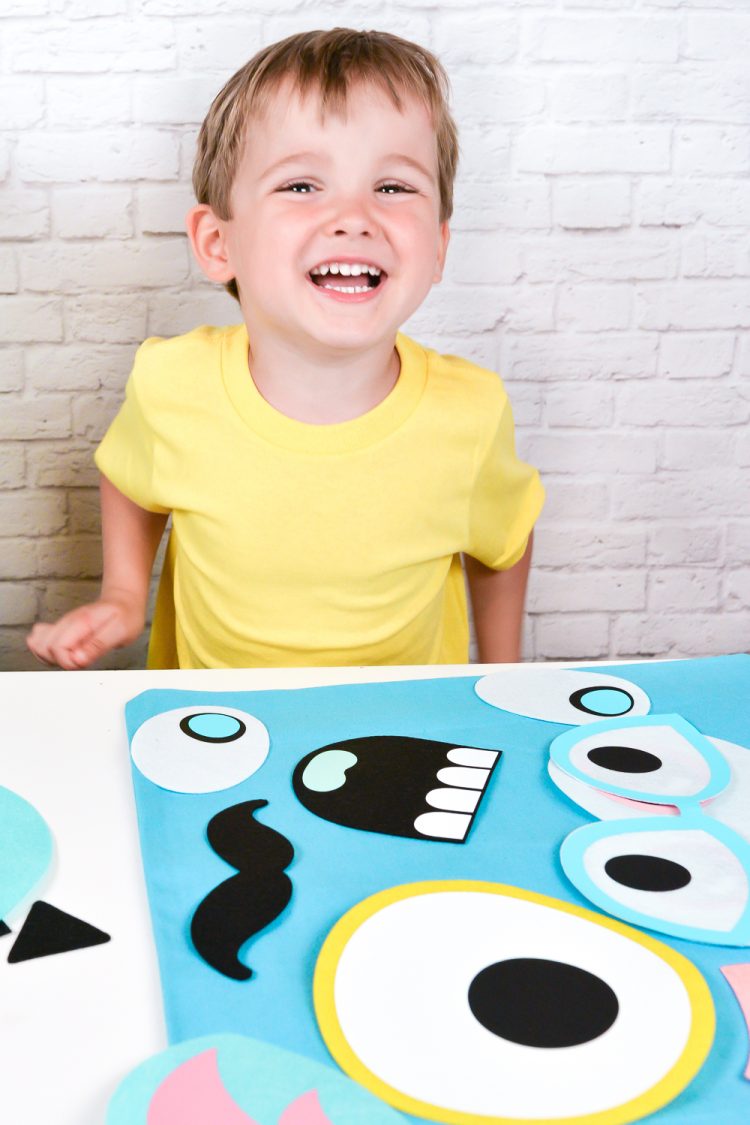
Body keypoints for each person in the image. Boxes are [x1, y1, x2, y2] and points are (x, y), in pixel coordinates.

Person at [26, 28, 544, 672]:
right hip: (215, 727)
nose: (354, 216)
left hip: (398, 730)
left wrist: (499, 678)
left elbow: (502, 540)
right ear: (219, 243)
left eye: (394, 187)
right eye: (302, 186)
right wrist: (125, 593)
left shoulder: (470, 410)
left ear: (438, 246)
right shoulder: (173, 382)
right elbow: (131, 476)